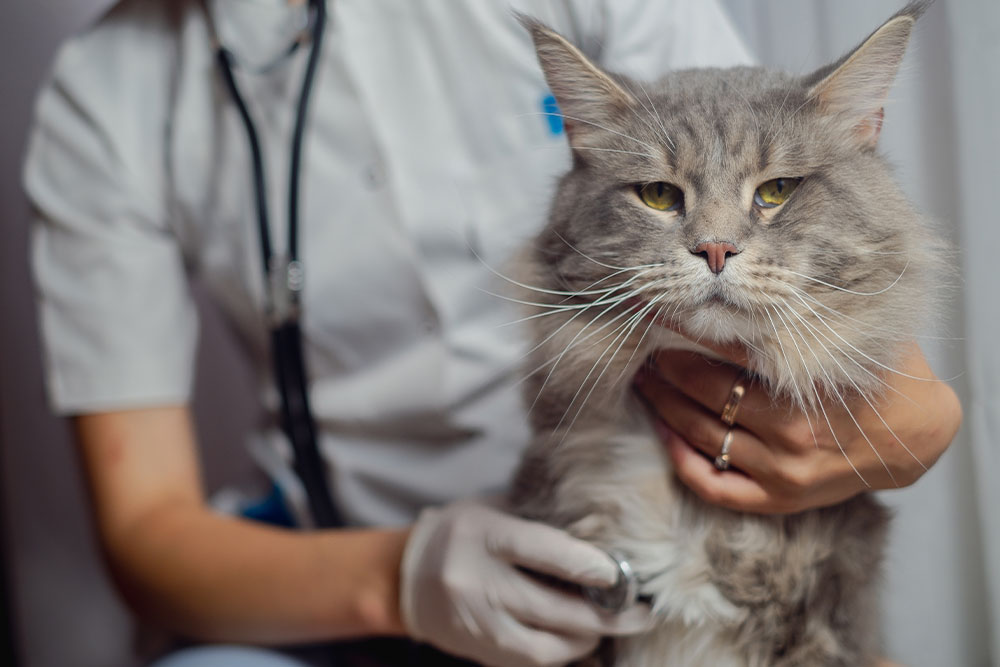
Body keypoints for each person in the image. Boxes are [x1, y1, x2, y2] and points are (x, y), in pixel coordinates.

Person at [23, 1, 961, 666]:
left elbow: (748, 127)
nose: (713, 239)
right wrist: (402, 577)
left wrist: (915, 415)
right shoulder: (106, 93)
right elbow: (145, 531)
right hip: (323, 554)